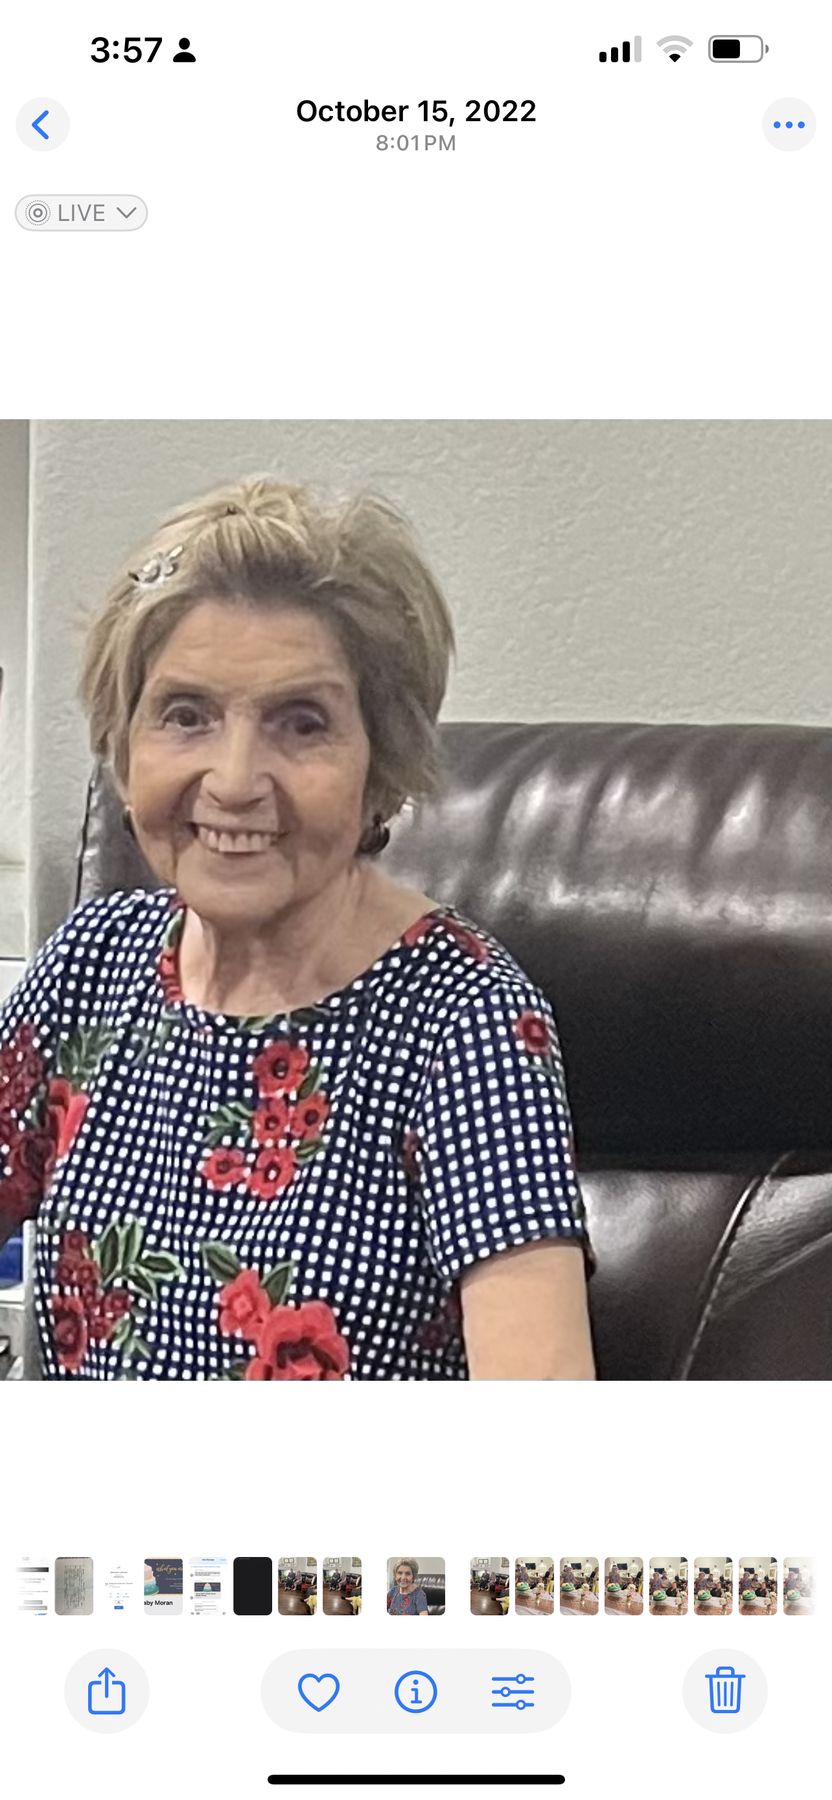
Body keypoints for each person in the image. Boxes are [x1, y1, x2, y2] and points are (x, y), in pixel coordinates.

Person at [0, 477, 594, 1381]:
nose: (235, 780)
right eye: (186, 715)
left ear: (381, 767)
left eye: (301, 723)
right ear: (124, 749)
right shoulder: (88, 965)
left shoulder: (467, 1023)